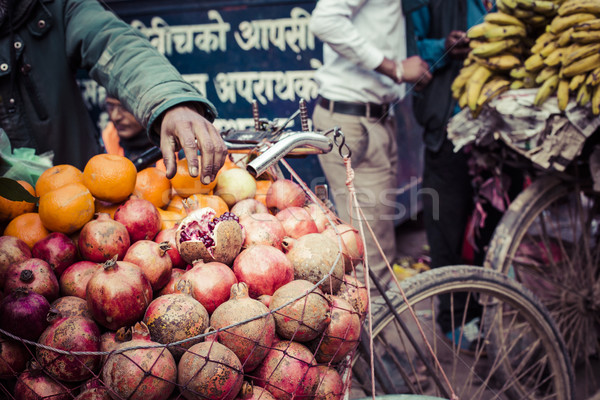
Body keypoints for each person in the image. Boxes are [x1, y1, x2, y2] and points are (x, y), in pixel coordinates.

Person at [0, 0, 227, 182]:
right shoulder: (110, 138)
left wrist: (171, 101)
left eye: (123, 107)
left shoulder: (54, 6)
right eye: (111, 106)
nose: (117, 115)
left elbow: (117, 47)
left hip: (81, 209)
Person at [412, 0, 524, 350]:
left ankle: (485, 310)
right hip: (450, 129)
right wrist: (443, 46)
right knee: (448, 223)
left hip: (502, 130)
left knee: (493, 224)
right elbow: (408, 50)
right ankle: (454, 319)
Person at [309, 0, 432, 291]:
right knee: (371, 261)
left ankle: (366, 332)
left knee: (372, 249)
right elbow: (324, 21)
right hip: (354, 122)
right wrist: (395, 68)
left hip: (373, 118)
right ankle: (373, 335)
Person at [102, 96, 155, 162]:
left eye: (125, 107)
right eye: (110, 107)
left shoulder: (168, 142)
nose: (115, 116)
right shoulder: (107, 138)